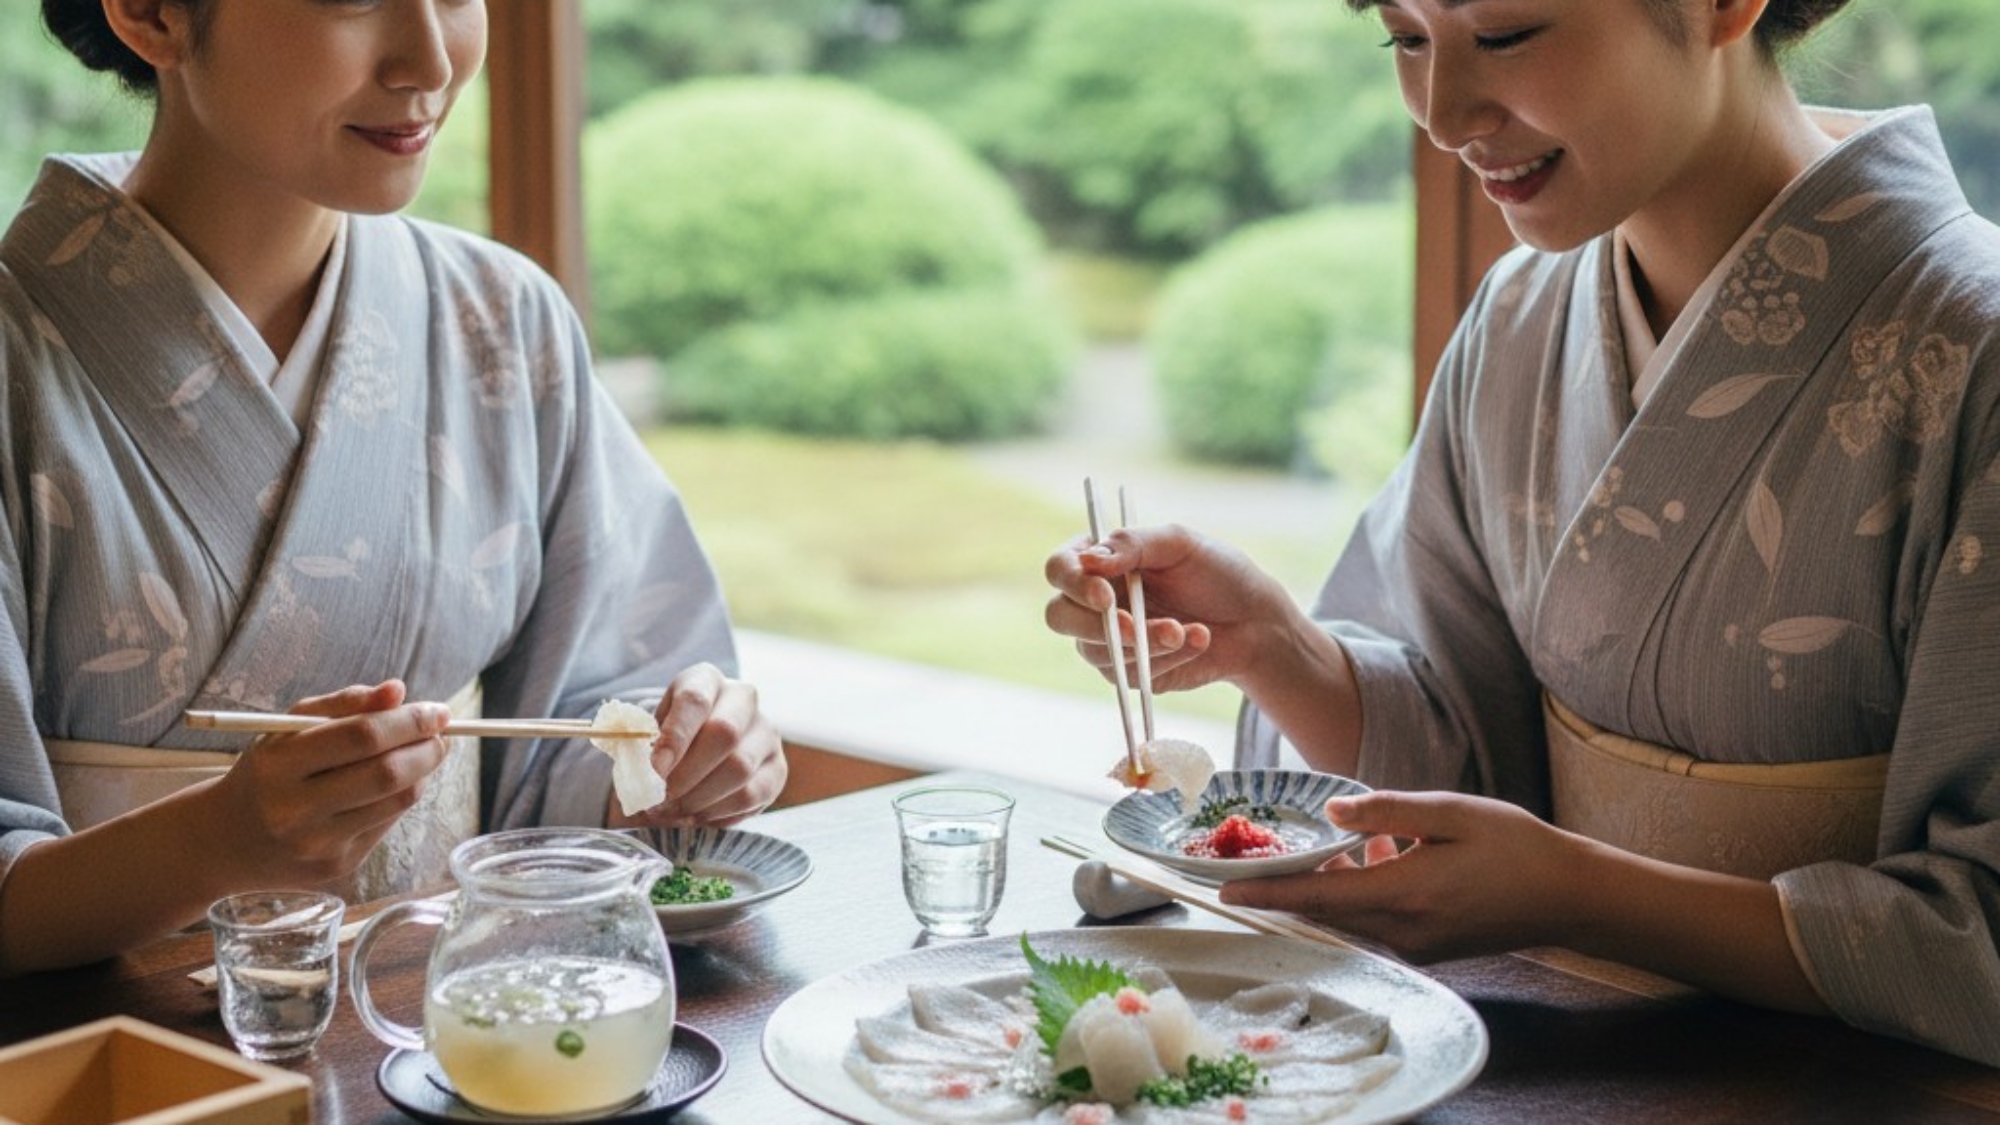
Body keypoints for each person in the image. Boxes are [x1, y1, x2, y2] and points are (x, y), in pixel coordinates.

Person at [1045, 0, 2000, 1066]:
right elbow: (1470, 753)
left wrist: (1578, 894)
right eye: (1406, 38)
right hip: (1550, 1053)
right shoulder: (1518, 317)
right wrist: (1275, 648)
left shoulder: (1976, 352)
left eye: (1503, 34)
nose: (1442, 113)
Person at [0, 0, 787, 975]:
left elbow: (577, 738)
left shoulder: (502, 323)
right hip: (111, 1053)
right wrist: (216, 842)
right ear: (152, 13)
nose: (430, 62)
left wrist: (678, 764)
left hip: (469, 1021)